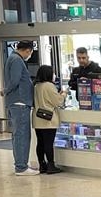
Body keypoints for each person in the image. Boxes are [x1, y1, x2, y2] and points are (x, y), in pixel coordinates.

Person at [4, 40, 38, 176]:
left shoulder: (11, 58)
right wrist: (6, 90)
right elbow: (15, 80)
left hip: (16, 101)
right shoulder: (17, 60)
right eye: (30, 52)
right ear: (27, 50)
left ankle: (20, 163)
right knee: (22, 135)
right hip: (20, 101)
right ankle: (21, 167)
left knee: (18, 134)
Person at [32, 65, 67, 174]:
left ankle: (42, 165)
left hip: (37, 118)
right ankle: (51, 165)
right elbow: (58, 102)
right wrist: (64, 94)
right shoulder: (49, 86)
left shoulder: (36, 86)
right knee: (48, 143)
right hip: (48, 119)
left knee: (40, 143)